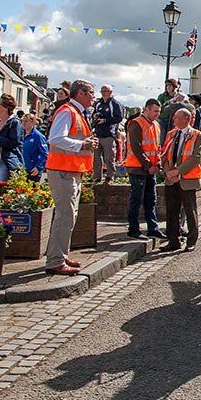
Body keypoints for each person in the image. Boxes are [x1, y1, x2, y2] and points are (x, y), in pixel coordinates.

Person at [44, 79, 99, 276]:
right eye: (91, 92)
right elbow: (55, 138)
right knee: (65, 216)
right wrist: (82, 144)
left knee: (69, 215)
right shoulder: (68, 112)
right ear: (80, 93)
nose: (94, 97)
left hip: (70, 170)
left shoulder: (77, 112)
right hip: (62, 170)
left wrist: (85, 143)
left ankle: (61, 255)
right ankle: (55, 260)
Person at [159, 108, 201, 253]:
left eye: (177, 117)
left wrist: (178, 171)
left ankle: (191, 241)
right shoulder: (171, 134)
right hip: (171, 179)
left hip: (187, 179)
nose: (174, 120)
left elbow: (196, 157)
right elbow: (164, 154)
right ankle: (173, 240)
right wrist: (168, 172)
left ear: (186, 119)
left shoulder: (197, 135)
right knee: (171, 211)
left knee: (190, 211)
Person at [124, 99, 166, 240]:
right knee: (136, 200)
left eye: (158, 111)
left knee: (151, 199)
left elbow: (156, 147)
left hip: (150, 168)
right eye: (155, 111)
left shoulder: (156, 125)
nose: (157, 114)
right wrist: (149, 165)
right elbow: (136, 147)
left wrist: (157, 162)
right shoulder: (136, 123)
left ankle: (153, 228)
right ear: (146, 109)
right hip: (137, 167)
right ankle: (133, 229)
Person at [91, 84, 123, 182]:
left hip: (109, 134)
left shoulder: (115, 104)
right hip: (98, 133)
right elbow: (94, 114)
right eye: (102, 91)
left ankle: (110, 176)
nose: (103, 93)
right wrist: (95, 118)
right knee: (96, 157)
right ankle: (97, 176)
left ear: (110, 92)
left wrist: (105, 120)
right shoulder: (98, 103)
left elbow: (119, 118)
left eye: (105, 91)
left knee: (109, 157)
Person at [21, 113, 48, 182]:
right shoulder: (21, 135)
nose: (23, 123)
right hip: (22, 169)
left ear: (33, 122)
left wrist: (38, 167)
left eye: (26, 121)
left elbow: (44, 153)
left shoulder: (38, 136)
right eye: (22, 121)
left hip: (33, 170)